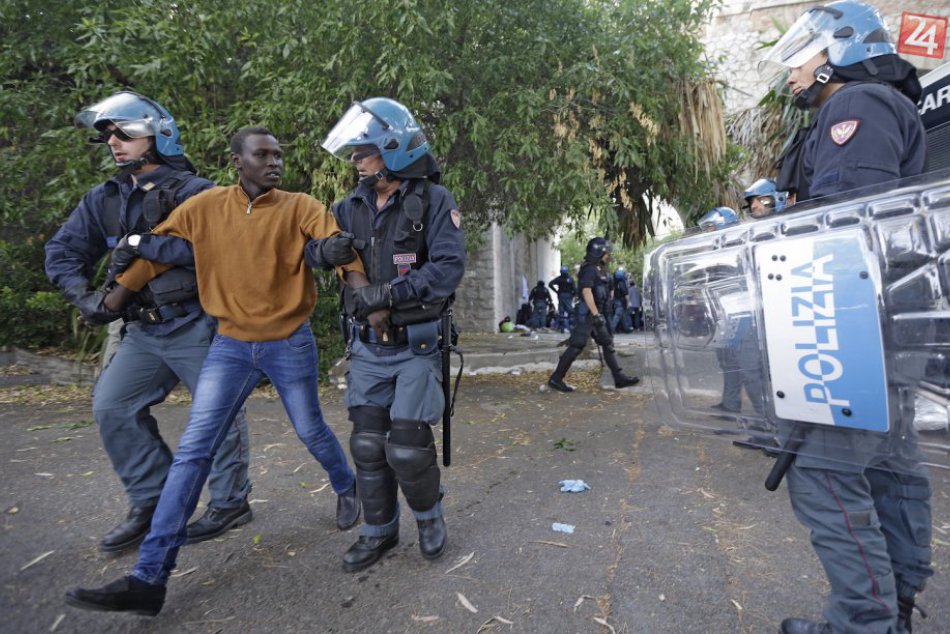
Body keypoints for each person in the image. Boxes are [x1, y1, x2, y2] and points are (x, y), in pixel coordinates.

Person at [65, 127, 362, 616]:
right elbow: (153, 252)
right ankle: (149, 578)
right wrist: (112, 299)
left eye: (278, 155)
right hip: (230, 345)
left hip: (289, 342)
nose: (274, 163)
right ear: (236, 162)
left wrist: (361, 292)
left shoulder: (300, 205)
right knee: (193, 454)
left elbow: (338, 248)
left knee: (310, 428)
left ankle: (346, 484)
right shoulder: (204, 208)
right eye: (262, 155)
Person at [762, 3, 932, 632]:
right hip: (892, 326)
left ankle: (863, 622)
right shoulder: (887, 104)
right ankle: (898, 604)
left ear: (839, 48)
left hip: (855, 327)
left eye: (799, 56)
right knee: (890, 466)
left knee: (824, 474)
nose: (790, 75)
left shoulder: (855, 104)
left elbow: (844, 221)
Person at [44, 91, 253, 554]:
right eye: (108, 135)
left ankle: (231, 502)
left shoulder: (201, 195)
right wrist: (84, 296)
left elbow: (234, 252)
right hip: (140, 330)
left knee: (217, 414)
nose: (115, 142)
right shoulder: (105, 198)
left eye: (125, 132)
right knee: (112, 407)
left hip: (199, 325)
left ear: (159, 134)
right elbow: (62, 251)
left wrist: (144, 247)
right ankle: (152, 501)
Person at [313, 98, 466, 572]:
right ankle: (378, 531)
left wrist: (387, 294)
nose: (356, 160)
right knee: (366, 444)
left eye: (364, 151)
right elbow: (309, 255)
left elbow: (447, 269)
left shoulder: (435, 201)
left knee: (406, 445)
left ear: (393, 149)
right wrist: (322, 251)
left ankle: (428, 516)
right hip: (365, 346)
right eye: (354, 152)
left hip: (416, 344)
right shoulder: (349, 204)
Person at [547, 237, 639, 393]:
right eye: (605, 252)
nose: (608, 255)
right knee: (576, 346)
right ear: (598, 252)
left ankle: (619, 378)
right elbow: (586, 291)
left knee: (607, 344)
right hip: (588, 315)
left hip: (594, 315)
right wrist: (596, 315)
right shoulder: (589, 269)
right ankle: (556, 379)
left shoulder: (596, 269)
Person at [548, 265, 577, 332]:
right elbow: (575, 289)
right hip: (568, 296)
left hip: (561, 296)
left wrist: (556, 291)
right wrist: (574, 295)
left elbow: (550, 284)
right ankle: (571, 327)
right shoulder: (570, 279)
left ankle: (561, 328)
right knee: (570, 312)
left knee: (561, 311)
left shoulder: (559, 279)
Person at [609, 268, 633, 334]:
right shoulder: (622, 283)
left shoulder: (615, 283)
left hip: (617, 300)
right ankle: (612, 328)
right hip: (621, 300)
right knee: (618, 314)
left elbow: (612, 293)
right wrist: (628, 302)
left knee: (623, 315)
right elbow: (625, 293)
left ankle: (626, 328)